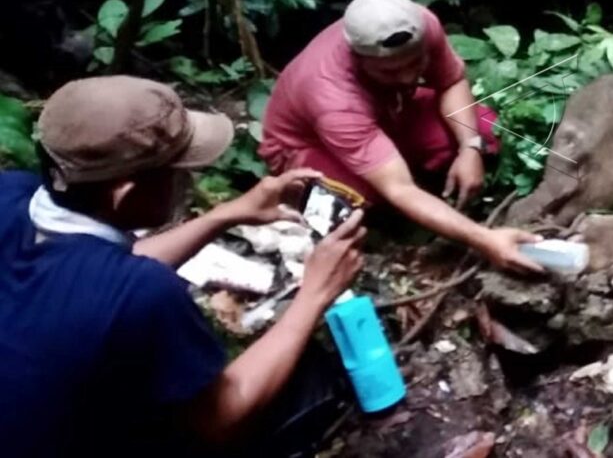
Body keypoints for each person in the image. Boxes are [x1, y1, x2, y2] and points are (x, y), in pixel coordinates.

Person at [0, 76, 366, 457]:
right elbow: (222, 419)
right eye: (177, 170)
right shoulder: (145, 292)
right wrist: (314, 296)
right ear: (125, 193)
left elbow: (96, 277)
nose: (186, 179)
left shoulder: (11, 193)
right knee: (307, 383)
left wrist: (227, 215)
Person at [260, 0, 542, 274]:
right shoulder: (332, 96)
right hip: (311, 145)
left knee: (482, 126)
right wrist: (485, 240)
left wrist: (470, 148)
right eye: (390, 71)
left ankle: (413, 177)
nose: (408, 76)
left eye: (415, 62)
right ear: (358, 59)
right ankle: (383, 219)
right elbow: (399, 187)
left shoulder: (422, 24)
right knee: (358, 197)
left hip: (388, 109)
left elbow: (451, 81)